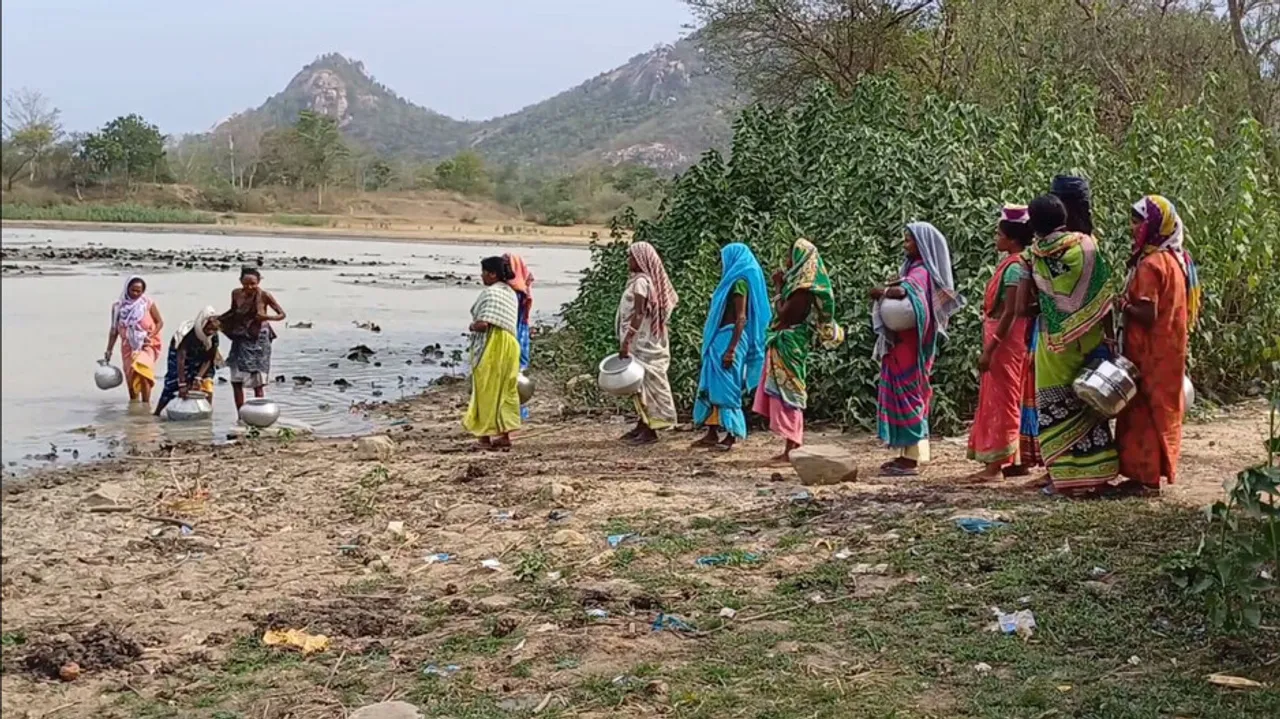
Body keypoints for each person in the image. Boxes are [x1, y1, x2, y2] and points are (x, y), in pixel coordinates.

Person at [1027, 194, 1119, 495]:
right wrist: (1109, 337)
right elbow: (1105, 295)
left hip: (1054, 343)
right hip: (1090, 337)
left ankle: (1064, 479)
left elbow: (1035, 300)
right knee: (1090, 401)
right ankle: (1098, 474)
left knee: (1055, 404)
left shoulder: (1036, 255)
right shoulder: (1087, 247)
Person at [1114, 195, 1200, 495]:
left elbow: (1147, 313)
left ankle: (1146, 477)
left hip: (1148, 350)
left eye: (1138, 221)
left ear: (1154, 225)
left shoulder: (1151, 265)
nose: (1132, 227)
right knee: (1162, 408)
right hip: (1168, 348)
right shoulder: (1176, 260)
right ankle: (1151, 474)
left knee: (1144, 410)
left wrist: (1123, 304)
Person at [871, 223, 964, 476]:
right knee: (907, 394)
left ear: (922, 245)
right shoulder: (913, 269)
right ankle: (909, 453)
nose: (905, 245)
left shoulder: (922, 272)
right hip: (903, 345)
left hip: (911, 347)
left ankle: (910, 459)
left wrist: (883, 292)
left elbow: (904, 293)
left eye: (909, 240)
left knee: (909, 395)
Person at [754, 238, 844, 461]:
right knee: (786, 391)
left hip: (790, 342)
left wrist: (777, 287)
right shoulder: (796, 285)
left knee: (790, 392)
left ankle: (793, 443)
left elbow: (784, 313)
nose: (786, 261)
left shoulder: (801, 289)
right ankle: (790, 444)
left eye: (790, 256)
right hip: (786, 341)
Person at [965, 206, 1035, 481]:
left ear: (1012, 239)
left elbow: (1011, 311)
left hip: (1005, 341)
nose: (996, 238)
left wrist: (990, 347)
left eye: (999, 234)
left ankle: (994, 466)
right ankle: (1015, 458)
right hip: (1009, 338)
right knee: (1010, 395)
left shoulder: (1016, 268)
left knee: (1002, 399)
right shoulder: (1017, 264)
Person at [692, 243, 772, 451]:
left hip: (730, 339)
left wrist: (731, 348)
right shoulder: (732, 282)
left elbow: (741, 318)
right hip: (720, 339)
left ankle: (731, 434)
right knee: (712, 385)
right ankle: (711, 431)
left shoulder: (738, 284)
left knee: (728, 388)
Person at [618, 242, 679, 445]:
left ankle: (652, 429)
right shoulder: (641, 281)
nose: (629, 261)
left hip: (642, 343)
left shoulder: (641, 283)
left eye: (632, 258)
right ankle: (642, 423)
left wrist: (628, 339)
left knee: (646, 382)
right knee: (638, 383)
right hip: (644, 341)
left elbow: (639, 313)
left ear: (641, 260)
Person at [464, 256, 523, 449]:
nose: (481, 276)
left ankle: (484, 437)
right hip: (511, 344)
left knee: (486, 389)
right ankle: (505, 435)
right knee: (506, 389)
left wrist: (472, 326)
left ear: (492, 274)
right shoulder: (511, 293)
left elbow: (483, 324)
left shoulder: (491, 293)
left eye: (483, 272)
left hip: (494, 345)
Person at [219, 267, 285, 411]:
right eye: (246, 284)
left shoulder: (264, 295)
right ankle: (241, 415)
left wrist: (266, 317)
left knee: (257, 379)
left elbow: (281, 314)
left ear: (259, 281)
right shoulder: (236, 294)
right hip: (240, 336)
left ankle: (259, 412)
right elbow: (233, 312)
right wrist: (218, 320)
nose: (249, 287)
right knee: (236, 377)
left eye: (253, 284)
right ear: (240, 281)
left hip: (258, 339)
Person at [104, 276, 164, 404]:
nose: (136, 294)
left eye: (139, 291)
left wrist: (151, 334)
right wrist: (109, 351)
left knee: (143, 371)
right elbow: (114, 330)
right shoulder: (118, 307)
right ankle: (134, 405)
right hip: (128, 346)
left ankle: (146, 404)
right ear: (127, 289)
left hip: (147, 344)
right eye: (133, 290)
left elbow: (159, 322)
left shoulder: (147, 303)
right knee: (131, 375)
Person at [154, 306, 220, 416]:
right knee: (172, 384)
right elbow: (181, 359)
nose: (210, 332)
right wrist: (182, 383)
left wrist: (199, 377)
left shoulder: (213, 336)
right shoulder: (188, 334)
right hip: (179, 355)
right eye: (208, 329)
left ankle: (206, 416)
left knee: (206, 385)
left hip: (202, 359)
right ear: (202, 324)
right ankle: (157, 412)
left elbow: (209, 358)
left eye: (213, 330)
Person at [504, 253, 535, 420]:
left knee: (511, 375)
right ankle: (518, 411)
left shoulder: (513, 292)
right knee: (517, 374)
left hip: (513, 335)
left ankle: (513, 413)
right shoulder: (523, 288)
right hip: (520, 334)